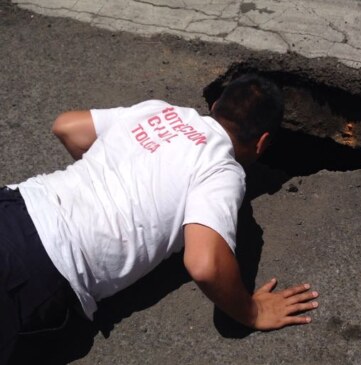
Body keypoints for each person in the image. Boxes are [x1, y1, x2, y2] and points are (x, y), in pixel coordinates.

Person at [0, 74, 319, 363]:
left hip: (16, 205)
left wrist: (112, 178)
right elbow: (205, 265)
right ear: (262, 143)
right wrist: (253, 311)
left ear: (216, 105)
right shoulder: (221, 168)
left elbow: (68, 126)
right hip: (41, 269)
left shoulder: (161, 110)